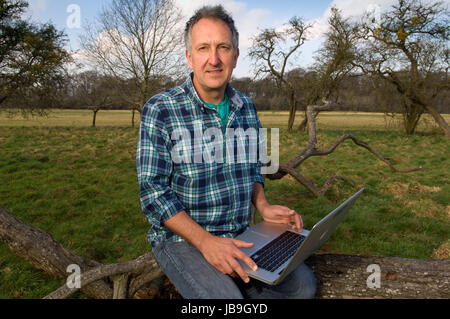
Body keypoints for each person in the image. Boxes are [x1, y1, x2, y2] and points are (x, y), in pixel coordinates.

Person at [136, 5, 316, 299]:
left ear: (236, 55)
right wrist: (206, 242)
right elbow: (152, 192)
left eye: (223, 47)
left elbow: (253, 168)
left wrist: (264, 207)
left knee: (302, 286)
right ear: (189, 56)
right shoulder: (161, 109)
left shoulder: (246, 107)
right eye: (203, 48)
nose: (214, 59)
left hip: (240, 232)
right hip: (182, 240)